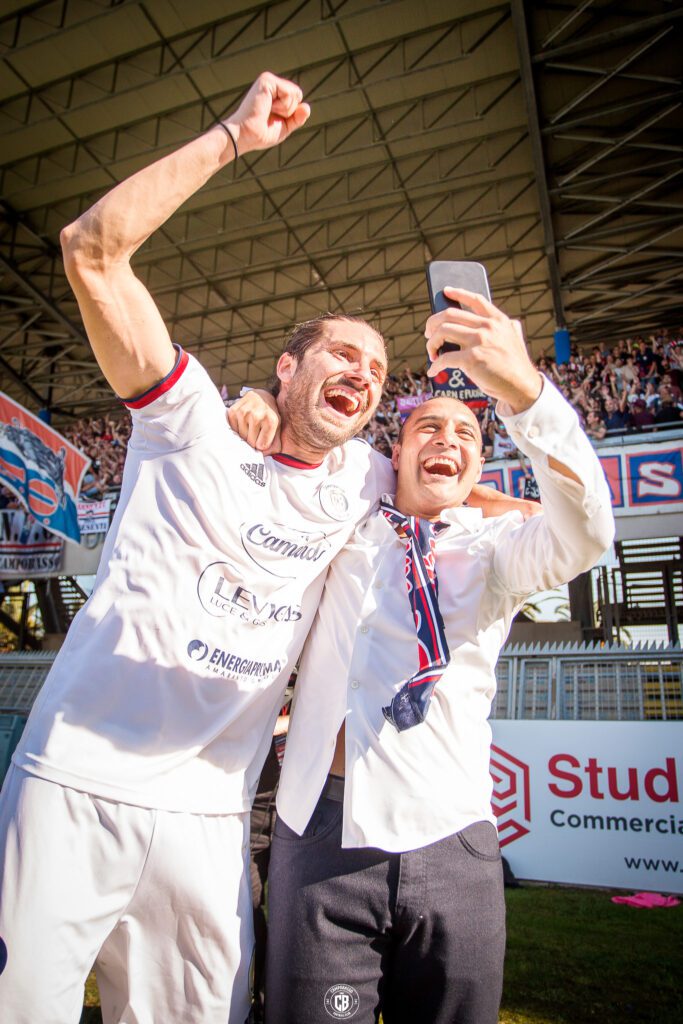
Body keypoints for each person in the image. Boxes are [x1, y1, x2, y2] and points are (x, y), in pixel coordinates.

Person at [0, 73, 530, 1024]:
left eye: (377, 371)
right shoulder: (187, 422)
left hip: (211, 820)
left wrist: (502, 501)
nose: (363, 374)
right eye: (342, 354)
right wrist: (233, 139)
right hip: (78, 782)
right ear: (286, 366)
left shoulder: (365, 477)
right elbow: (92, 252)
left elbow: (457, 490)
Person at [264, 287, 615, 1024]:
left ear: (479, 466)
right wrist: (259, 406)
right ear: (393, 453)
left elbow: (585, 534)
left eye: (464, 434)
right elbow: (300, 442)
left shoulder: (500, 552)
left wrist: (525, 392)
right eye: (427, 426)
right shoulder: (342, 521)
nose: (446, 439)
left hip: (453, 836)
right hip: (322, 834)